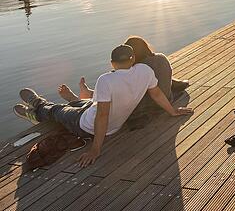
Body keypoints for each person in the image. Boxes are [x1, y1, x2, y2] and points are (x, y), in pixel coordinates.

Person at [13, 45, 193, 167]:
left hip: (85, 125)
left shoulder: (106, 79)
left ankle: (36, 107)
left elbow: (102, 116)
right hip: (104, 119)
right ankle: (73, 100)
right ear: (132, 60)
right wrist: (172, 110)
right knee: (87, 104)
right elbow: (157, 94)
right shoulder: (145, 71)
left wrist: (95, 149)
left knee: (56, 111)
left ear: (112, 63)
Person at [124, 36, 189, 113]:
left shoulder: (136, 68)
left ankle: (175, 84)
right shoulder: (161, 57)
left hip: (150, 104)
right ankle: (176, 84)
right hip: (167, 98)